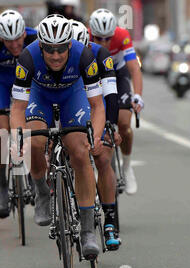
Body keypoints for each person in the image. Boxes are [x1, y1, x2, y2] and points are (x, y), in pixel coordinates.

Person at [10, 15, 105, 259]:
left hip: (72, 97)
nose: (55, 55)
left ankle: (87, 231)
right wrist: (18, 137)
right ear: (40, 45)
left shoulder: (84, 56)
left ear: (70, 45)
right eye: (49, 49)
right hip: (39, 98)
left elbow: (97, 105)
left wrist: (95, 133)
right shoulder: (27, 58)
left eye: (61, 48)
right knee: (35, 141)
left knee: (80, 151)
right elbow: (18, 109)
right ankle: (42, 191)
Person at [0, 9, 37, 218]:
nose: (14, 45)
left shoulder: (35, 39)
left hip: (30, 85)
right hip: (1, 86)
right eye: (8, 41)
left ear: (24, 33)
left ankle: (36, 171)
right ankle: (2, 185)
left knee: (34, 127)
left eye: (17, 40)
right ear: (0, 38)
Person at [71, 19, 121, 250]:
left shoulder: (101, 54)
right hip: (71, 100)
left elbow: (110, 95)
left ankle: (110, 220)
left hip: (96, 101)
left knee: (102, 158)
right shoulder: (60, 59)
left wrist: (110, 127)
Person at [89, 9, 144, 195]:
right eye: (98, 38)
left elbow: (134, 69)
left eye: (107, 38)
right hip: (94, 74)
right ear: (91, 34)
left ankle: (127, 167)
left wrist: (138, 96)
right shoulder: (84, 36)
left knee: (123, 123)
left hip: (117, 74)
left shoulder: (122, 35)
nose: (104, 42)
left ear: (114, 33)